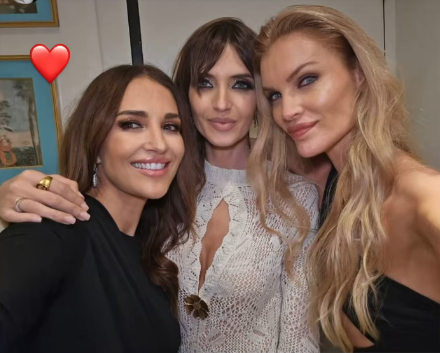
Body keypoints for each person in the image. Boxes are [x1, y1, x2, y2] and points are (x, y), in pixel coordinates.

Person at [0, 18, 320, 353]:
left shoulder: (293, 196)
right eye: (205, 84)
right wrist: (17, 199)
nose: (222, 103)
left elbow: (301, 336)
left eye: (241, 84)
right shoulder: (158, 194)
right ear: (188, 98)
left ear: (262, 96)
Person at [247, 4, 440, 353]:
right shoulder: (338, 187)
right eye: (275, 95)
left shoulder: (421, 194)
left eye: (307, 80)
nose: (287, 111)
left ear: (358, 74)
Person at [0, 64, 203, 353]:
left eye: (170, 126)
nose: (159, 144)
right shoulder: (59, 227)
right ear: (95, 145)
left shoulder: (148, 245)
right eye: (131, 124)